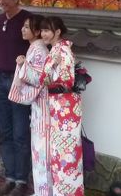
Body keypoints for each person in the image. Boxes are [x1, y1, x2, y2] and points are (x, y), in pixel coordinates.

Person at [0, 0, 32, 196]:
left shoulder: (27, 20)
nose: (1, 2)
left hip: (19, 81)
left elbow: (37, 46)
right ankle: (9, 176)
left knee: (20, 133)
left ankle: (21, 180)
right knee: (5, 131)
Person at [39, 16, 84, 196]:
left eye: (47, 30)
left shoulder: (62, 50)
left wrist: (50, 69)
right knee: (60, 151)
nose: (44, 34)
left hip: (64, 105)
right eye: (42, 30)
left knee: (66, 152)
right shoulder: (56, 49)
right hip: (59, 105)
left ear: (57, 32)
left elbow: (67, 81)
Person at [15, 14, 50, 196]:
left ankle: (44, 191)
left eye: (27, 27)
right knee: (37, 148)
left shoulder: (39, 50)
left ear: (36, 31)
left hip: (43, 104)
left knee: (42, 149)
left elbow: (40, 79)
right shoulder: (34, 48)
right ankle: (40, 190)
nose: (23, 29)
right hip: (39, 105)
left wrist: (23, 66)